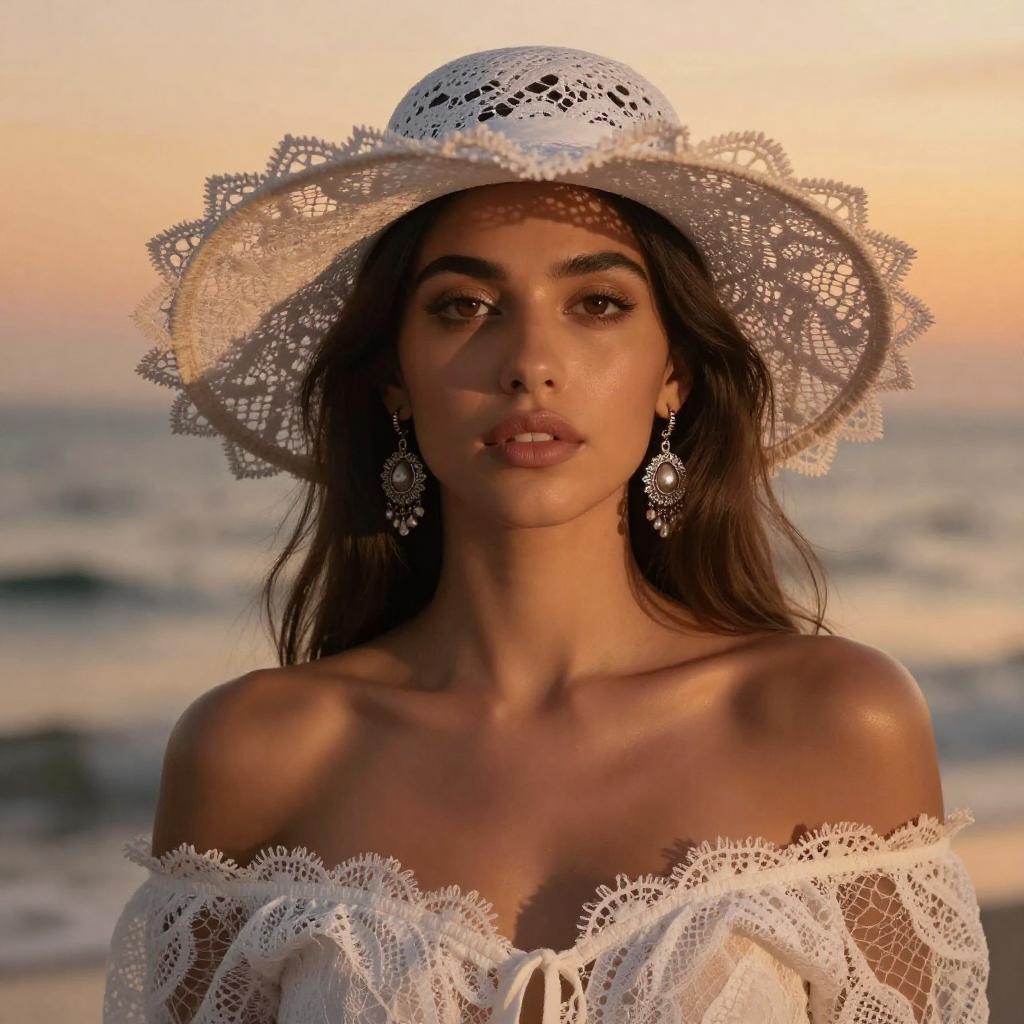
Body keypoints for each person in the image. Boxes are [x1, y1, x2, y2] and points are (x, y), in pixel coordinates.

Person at [103, 45, 990, 1024]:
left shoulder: (834, 721)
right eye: (464, 307)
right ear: (395, 377)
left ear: (674, 374)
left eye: (597, 303)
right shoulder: (255, 752)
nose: (530, 361)